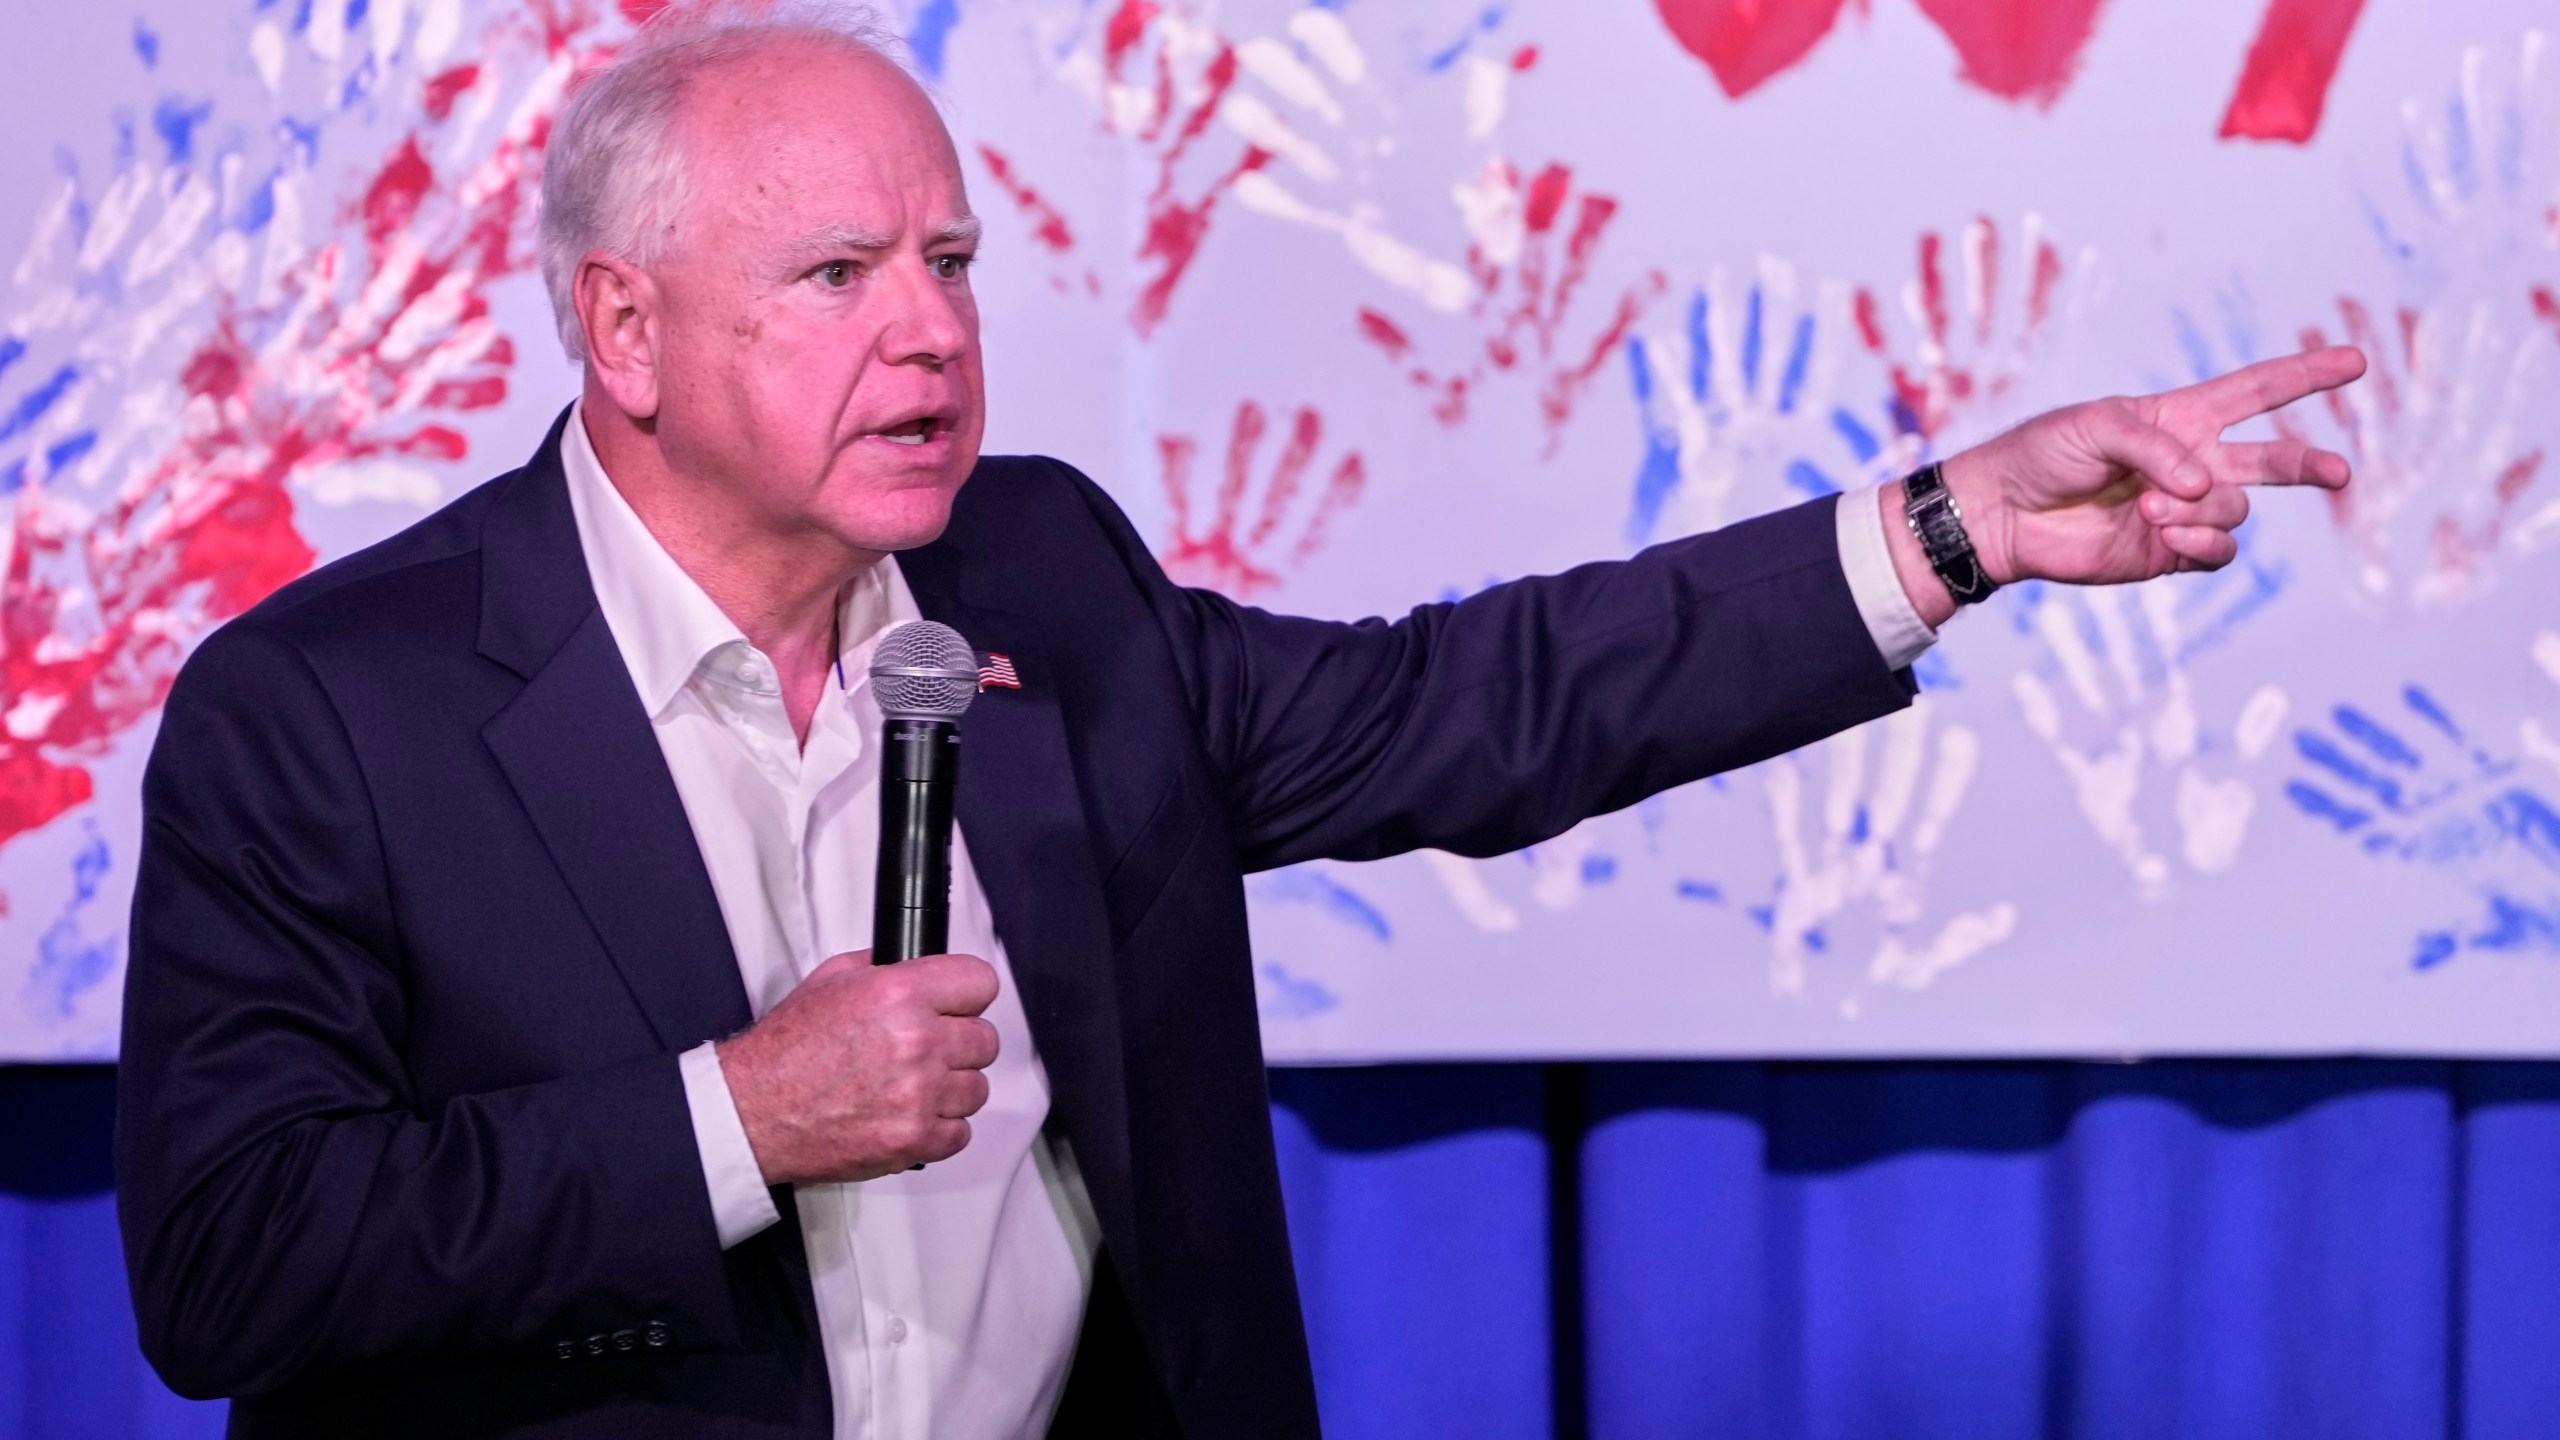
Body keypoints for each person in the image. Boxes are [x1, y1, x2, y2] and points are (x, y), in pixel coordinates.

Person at [112, 3, 2366, 1436]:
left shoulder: (1047, 585)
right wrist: (736, 1116)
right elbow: (231, 1267)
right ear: (622, 327)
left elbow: (1475, 706)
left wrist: (1948, 525)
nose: (927, 339)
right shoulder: (324, 714)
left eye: (953, 267)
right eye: (835, 278)